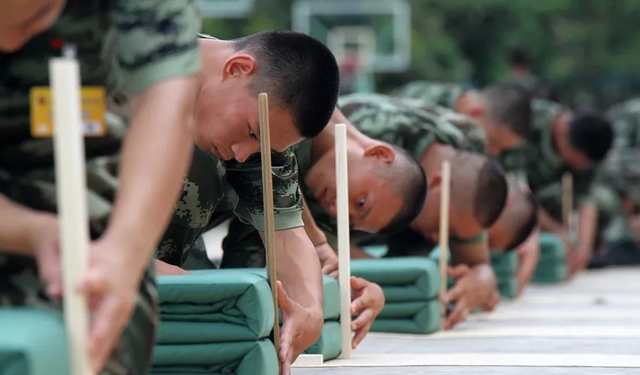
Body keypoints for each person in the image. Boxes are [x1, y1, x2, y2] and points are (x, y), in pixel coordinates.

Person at [0, 0, 202, 373]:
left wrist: (123, 252)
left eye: (35, 17)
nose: (9, 41)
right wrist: (29, 230)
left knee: (96, 314)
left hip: (78, 182)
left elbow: (166, 108)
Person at [143, 31, 341, 373]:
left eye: (264, 149)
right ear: (237, 69)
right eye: (252, 133)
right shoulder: (113, 69)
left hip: (156, 308)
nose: (243, 153)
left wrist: (309, 310)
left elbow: (285, 231)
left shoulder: (260, 120)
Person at [288, 94, 508, 329]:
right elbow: (315, 248)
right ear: (435, 184)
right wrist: (386, 279)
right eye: (448, 229)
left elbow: (478, 262)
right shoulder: (362, 139)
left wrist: (481, 280)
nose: (438, 239)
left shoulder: (469, 168)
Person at [523, 99, 613, 276]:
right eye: (579, 160)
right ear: (564, 136)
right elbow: (518, 190)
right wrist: (557, 231)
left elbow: (587, 198)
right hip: (517, 195)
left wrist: (583, 248)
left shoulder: (586, 146)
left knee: (606, 202)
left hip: (549, 202)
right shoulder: (529, 122)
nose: (580, 167)